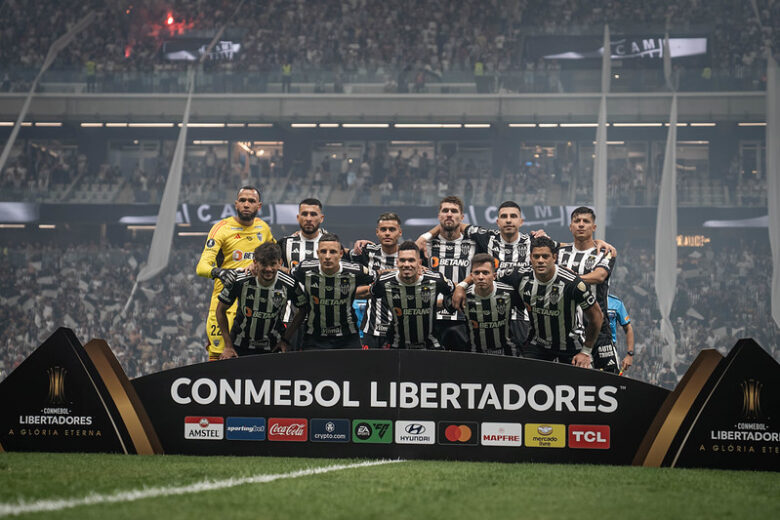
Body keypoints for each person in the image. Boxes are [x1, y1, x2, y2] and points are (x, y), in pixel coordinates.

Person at [196, 186, 274, 360]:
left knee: (252, 363)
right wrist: (222, 273)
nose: (247, 204)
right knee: (219, 360)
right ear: (236, 204)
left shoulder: (263, 228)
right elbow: (201, 267)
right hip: (224, 307)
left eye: (251, 201)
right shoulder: (221, 229)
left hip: (254, 308)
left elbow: (276, 256)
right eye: (243, 200)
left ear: (259, 206)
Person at [508, 236, 602, 368]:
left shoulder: (573, 283)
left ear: (554, 257)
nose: (540, 261)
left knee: (583, 381)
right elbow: (490, 276)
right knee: (523, 377)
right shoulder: (520, 276)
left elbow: (597, 317)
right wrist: (467, 285)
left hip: (571, 345)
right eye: (536, 256)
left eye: (545, 256)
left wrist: (586, 352)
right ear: (530, 258)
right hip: (538, 344)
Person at [215, 243, 307, 358]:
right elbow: (220, 310)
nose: (268, 269)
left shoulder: (289, 283)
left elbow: (303, 308)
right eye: (264, 264)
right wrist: (228, 346)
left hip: (273, 347)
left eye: (273, 264)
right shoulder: (239, 280)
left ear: (280, 262)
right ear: (255, 262)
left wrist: (285, 340)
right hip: (239, 346)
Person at [557, 206, 619, 372]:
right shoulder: (559, 252)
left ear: (594, 227)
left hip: (597, 325)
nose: (581, 225)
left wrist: (570, 278)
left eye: (586, 221)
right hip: (567, 328)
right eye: (577, 221)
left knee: (610, 377)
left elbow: (599, 276)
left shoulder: (605, 252)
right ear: (571, 226)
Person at [292, 233, 377, 350]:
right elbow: (285, 278)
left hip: (348, 338)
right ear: (317, 253)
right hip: (314, 338)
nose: (327, 256)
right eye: (323, 251)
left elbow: (380, 280)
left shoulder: (357, 271)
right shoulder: (303, 269)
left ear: (341, 254)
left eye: (332, 252)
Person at [369, 241, 455, 349]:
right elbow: (372, 293)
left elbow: (453, 291)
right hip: (397, 346)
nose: (406, 264)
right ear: (397, 262)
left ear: (419, 262)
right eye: (402, 260)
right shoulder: (383, 282)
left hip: (431, 345)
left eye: (411, 260)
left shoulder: (437, 280)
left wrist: (446, 304)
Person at [419, 196, 475, 351]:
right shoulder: (427, 245)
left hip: (463, 318)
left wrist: (462, 286)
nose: (449, 214)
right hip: (432, 318)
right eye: (445, 211)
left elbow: (482, 272)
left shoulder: (474, 244)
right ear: (439, 216)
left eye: (454, 211)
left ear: (462, 217)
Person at [350, 212, 403, 349]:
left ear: (400, 232)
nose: (387, 233)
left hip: (400, 330)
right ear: (377, 232)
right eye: (383, 229)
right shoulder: (367, 252)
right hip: (371, 328)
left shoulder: (409, 257)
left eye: (392, 229)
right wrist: (356, 249)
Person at [460, 253, 520, 356]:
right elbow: (438, 304)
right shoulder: (464, 296)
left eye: (485, 273)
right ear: (471, 276)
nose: (481, 277)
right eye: (477, 273)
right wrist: (459, 288)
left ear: (494, 276)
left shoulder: (509, 293)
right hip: (474, 353)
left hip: (507, 353)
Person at [608, 293, 635, 373]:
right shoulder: (582, 299)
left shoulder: (616, 302)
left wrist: (630, 354)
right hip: (586, 349)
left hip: (609, 350)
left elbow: (628, 328)